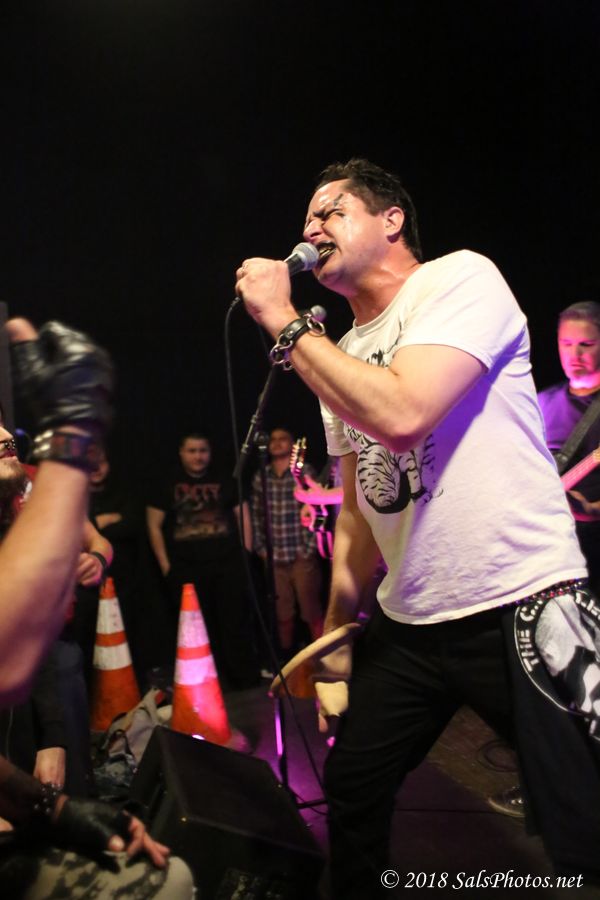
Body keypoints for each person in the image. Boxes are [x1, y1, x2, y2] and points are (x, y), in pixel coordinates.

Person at [235, 159, 600, 897]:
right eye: (306, 219)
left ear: (391, 219)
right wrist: (336, 634)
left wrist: (283, 322)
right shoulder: (336, 355)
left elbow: (403, 414)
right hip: (410, 623)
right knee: (353, 784)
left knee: (582, 818)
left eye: (331, 211)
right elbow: (358, 514)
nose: (311, 229)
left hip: (522, 599)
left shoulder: (461, 280)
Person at [0, 318, 194, 897]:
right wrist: (73, 429)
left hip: (52, 652)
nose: (6, 439)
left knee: (170, 876)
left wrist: (53, 809)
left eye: (6, 432)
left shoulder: (26, 485)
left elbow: (95, 545)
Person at [146, 429, 259, 689]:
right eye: (192, 451)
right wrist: (166, 566)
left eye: (203, 451)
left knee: (234, 624)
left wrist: (245, 554)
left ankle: (243, 680)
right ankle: (208, 681)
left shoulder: (225, 478)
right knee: (198, 628)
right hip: (186, 569)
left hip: (227, 565)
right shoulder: (167, 482)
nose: (198, 456)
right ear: (181, 453)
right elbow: (153, 525)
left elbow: (243, 515)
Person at [538, 301, 600, 593]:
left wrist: (591, 509)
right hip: (546, 555)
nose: (575, 355)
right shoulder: (540, 403)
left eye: (586, 344)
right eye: (566, 344)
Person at [251, 427, 323, 656]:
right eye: (273, 439)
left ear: (292, 445)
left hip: (301, 555)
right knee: (283, 614)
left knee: (312, 612)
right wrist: (261, 549)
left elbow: (317, 509)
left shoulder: (304, 472)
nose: (276, 442)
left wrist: (309, 548)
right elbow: (256, 515)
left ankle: (323, 661)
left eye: (283, 438)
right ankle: (287, 661)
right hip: (275, 558)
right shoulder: (262, 476)